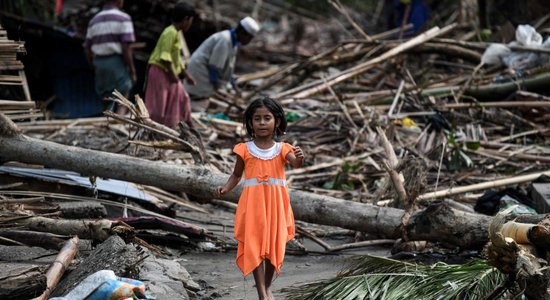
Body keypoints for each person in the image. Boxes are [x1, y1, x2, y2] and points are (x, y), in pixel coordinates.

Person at [214, 97, 304, 300]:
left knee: (275, 243)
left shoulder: (282, 149)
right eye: (257, 119)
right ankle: (263, 293)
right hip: (253, 204)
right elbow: (237, 175)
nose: (262, 123)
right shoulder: (244, 149)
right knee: (254, 244)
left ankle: (267, 286)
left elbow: (296, 164)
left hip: (276, 205)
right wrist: (225, 189)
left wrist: (300, 156)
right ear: (250, 123)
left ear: (277, 122)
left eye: (267, 118)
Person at [184, 17, 260, 112]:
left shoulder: (233, 43)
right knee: (197, 97)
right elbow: (214, 66)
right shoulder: (225, 40)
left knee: (201, 97)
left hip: (205, 69)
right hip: (200, 69)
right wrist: (216, 87)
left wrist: (234, 85)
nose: (249, 41)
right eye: (249, 38)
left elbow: (228, 68)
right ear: (242, 33)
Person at [144, 2, 196, 128]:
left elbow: (176, 57)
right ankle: (152, 129)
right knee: (158, 105)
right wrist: (172, 75)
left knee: (182, 97)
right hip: (160, 70)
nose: (190, 24)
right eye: (191, 21)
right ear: (186, 19)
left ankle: (183, 126)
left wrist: (186, 75)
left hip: (168, 72)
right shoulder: (170, 32)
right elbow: (165, 56)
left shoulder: (176, 33)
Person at [84, 0, 136, 113]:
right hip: (116, 63)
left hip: (99, 63)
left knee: (106, 100)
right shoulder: (124, 18)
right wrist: (132, 70)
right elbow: (126, 48)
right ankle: (118, 125)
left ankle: (107, 124)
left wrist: (94, 66)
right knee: (123, 98)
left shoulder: (94, 20)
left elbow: (87, 49)